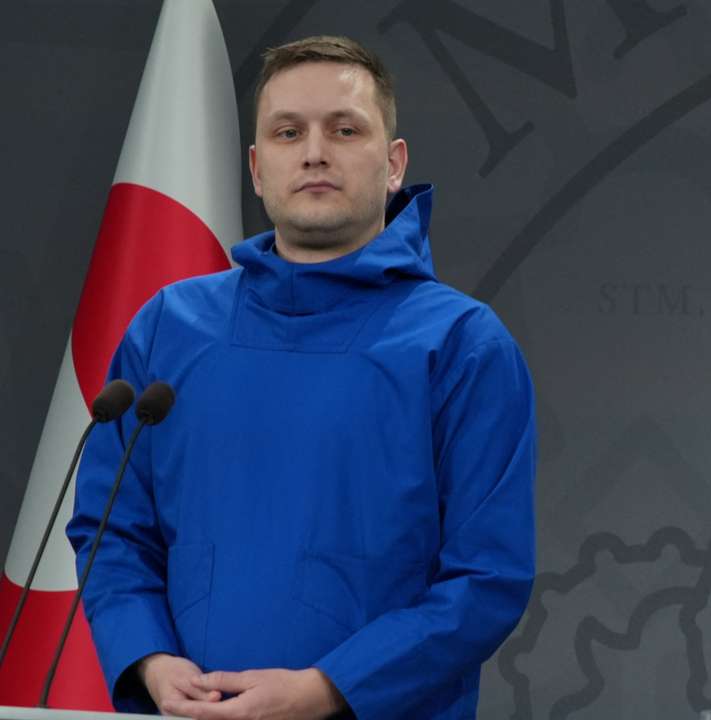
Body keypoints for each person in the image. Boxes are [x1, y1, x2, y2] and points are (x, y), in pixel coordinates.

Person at [67, 36, 536, 720]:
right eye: (288, 133)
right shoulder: (168, 327)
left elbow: (485, 579)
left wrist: (329, 689)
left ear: (394, 162)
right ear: (257, 169)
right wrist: (151, 661)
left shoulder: (461, 345)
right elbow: (112, 531)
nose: (315, 152)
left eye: (345, 130)